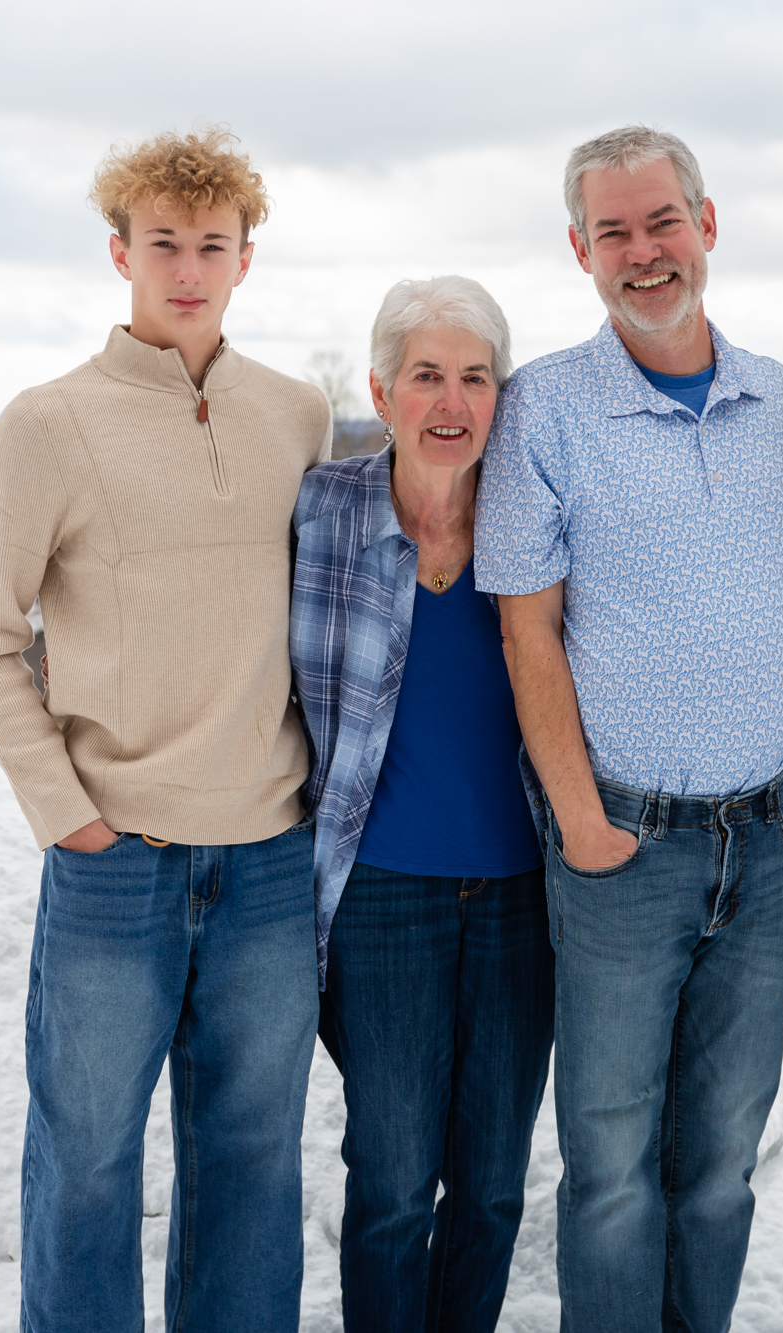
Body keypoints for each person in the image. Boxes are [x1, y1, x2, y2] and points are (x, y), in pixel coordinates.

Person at [0, 129, 330, 1333]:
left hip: (269, 855)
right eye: (162, 242)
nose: (187, 266)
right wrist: (71, 817)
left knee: (253, 1163)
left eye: (211, 245)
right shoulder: (49, 423)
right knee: (89, 1162)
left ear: (244, 261)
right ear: (119, 252)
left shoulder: (297, 413)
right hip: (115, 864)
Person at [475, 125, 783, 1332]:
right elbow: (528, 636)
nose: (642, 251)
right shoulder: (544, 411)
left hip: (770, 842)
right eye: (612, 231)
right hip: (621, 842)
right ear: (580, 250)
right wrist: (581, 821)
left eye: (661, 221)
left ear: (706, 226)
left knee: (719, 1159)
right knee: (611, 1164)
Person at [290, 275, 553, 1332]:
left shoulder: (535, 520)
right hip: (381, 896)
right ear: (381, 389)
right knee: (393, 1181)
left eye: (476, 377)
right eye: (426, 376)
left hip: (519, 899)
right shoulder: (320, 511)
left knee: (491, 1185)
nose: (451, 401)